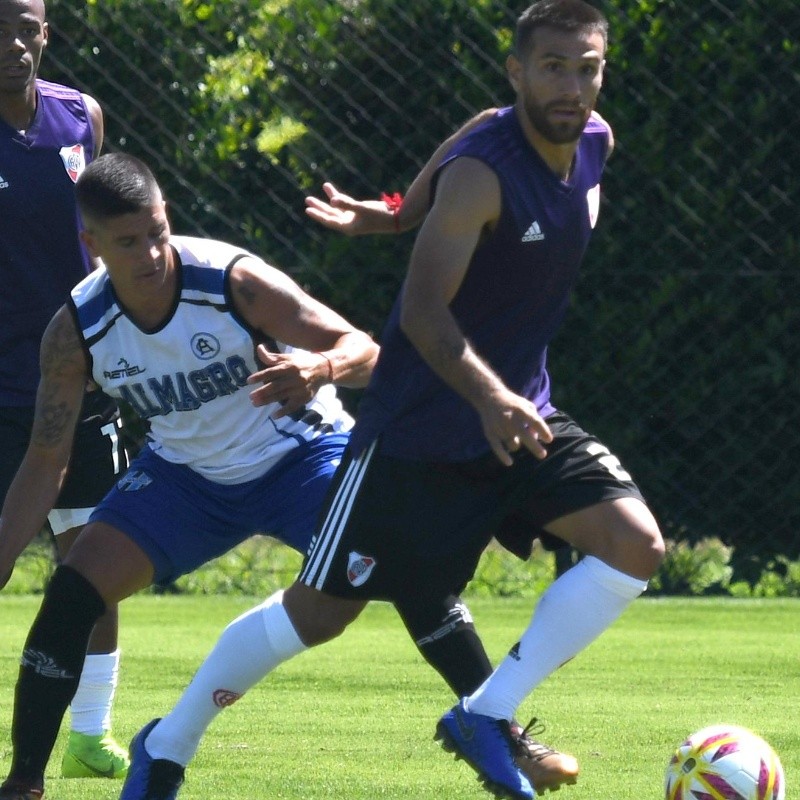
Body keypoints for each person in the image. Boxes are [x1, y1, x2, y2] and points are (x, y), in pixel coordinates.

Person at [114, 3, 665, 800]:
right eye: (552, 67)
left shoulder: (594, 144)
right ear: (517, 72)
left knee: (635, 544)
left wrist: (399, 211)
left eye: (587, 68)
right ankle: (166, 743)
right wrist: (487, 393)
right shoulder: (485, 172)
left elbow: (462, 138)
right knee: (319, 611)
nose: (571, 86)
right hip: (418, 437)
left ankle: (487, 714)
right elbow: (420, 314)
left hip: (518, 416)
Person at [0, 151, 380, 800]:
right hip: (187, 478)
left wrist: (316, 371)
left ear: (167, 217)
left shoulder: (233, 281)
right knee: (72, 595)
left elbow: (366, 352)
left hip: (298, 456)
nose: (150, 253)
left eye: (157, 232)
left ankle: (495, 720)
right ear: (91, 246)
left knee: (391, 572)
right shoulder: (76, 332)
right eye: (128, 242)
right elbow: (45, 459)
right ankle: (23, 784)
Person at [0, 0, 132, 781]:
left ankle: (90, 733)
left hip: (80, 382)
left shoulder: (81, 116)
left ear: (45, 31)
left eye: (25, 26)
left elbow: (103, 233)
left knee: (93, 561)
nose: (13, 44)